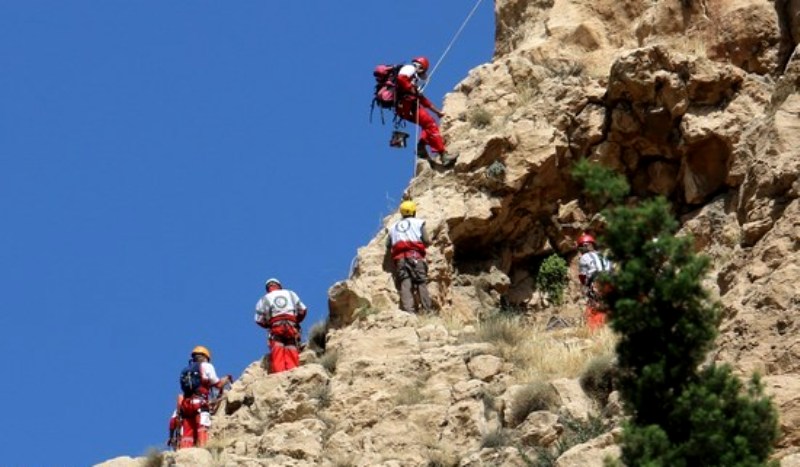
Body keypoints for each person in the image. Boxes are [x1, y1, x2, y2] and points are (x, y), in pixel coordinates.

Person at [394, 56, 456, 166]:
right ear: (421, 68)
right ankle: (443, 155)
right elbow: (401, 79)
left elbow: (423, 100)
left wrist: (437, 112)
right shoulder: (410, 68)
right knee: (430, 125)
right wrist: (412, 89)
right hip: (406, 107)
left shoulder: (413, 80)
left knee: (429, 123)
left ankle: (421, 147)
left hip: (406, 108)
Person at [177, 346, 233, 449]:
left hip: (186, 406)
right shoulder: (206, 366)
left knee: (187, 435)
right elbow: (218, 384)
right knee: (202, 428)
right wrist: (227, 379)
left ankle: (185, 455)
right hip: (199, 403)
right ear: (205, 357)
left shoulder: (185, 371)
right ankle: (203, 451)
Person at [386, 200, 433, 313]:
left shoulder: (393, 228)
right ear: (413, 211)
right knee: (421, 282)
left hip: (400, 259)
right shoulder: (419, 223)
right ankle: (427, 310)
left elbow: (388, 245)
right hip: (415, 256)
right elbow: (426, 240)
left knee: (405, 283)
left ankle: (409, 312)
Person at [254, 278, 308, 373]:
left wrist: (268, 325)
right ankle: (293, 371)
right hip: (291, 326)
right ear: (280, 286)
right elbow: (303, 310)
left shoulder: (264, 299)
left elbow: (258, 320)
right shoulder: (291, 293)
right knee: (291, 346)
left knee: (278, 347)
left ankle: (280, 373)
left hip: (276, 326)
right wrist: (297, 321)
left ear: (267, 288)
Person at [577, 233, 613, 330]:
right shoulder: (604, 255)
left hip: (598, 283)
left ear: (586, 246)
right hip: (611, 282)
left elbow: (583, 277)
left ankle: (595, 330)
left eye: (581, 248)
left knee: (594, 307)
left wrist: (586, 289)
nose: (580, 251)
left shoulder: (584, 258)